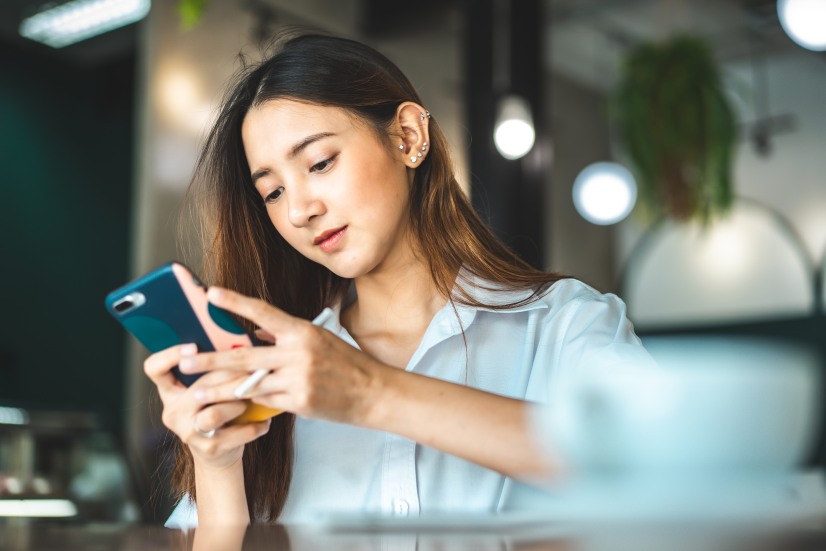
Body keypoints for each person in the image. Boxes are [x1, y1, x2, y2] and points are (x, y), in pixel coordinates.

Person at [144, 31, 650, 528]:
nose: (299, 210)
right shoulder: (271, 375)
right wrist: (216, 470)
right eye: (272, 193)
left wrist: (372, 392)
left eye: (320, 162)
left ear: (409, 136)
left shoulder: (564, 324)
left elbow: (661, 483)